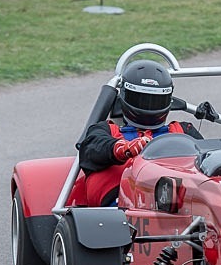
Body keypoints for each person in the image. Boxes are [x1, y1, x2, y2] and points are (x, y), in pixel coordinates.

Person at [77, 59, 203, 206]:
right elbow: (91, 149)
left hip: (178, 202)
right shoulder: (107, 131)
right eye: (141, 100)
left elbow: (208, 158)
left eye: (155, 101)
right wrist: (121, 149)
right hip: (121, 208)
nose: (148, 107)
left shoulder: (182, 131)